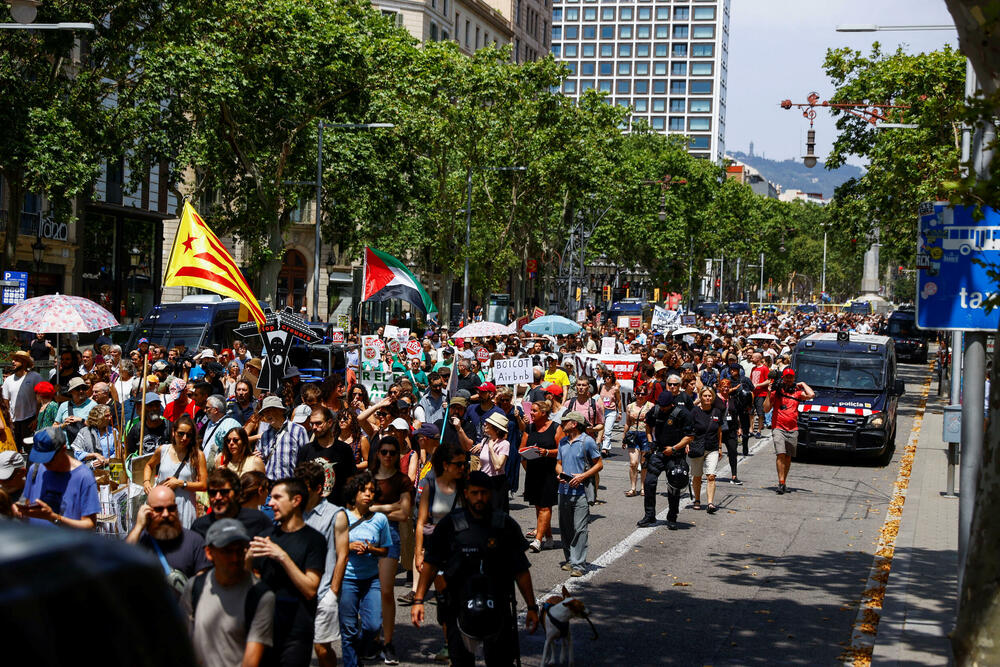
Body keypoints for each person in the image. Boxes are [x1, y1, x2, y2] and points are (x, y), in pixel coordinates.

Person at [410, 471, 539, 667]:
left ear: (491, 494)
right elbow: (431, 563)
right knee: (461, 661)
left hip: (497, 606)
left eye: (484, 493)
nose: (480, 498)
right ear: (465, 494)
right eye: (475, 493)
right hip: (458, 605)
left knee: (501, 662)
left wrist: (531, 607)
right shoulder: (450, 525)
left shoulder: (504, 525)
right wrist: (419, 599)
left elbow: (521, 570)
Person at [249, 477, 326, 667]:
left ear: (296, 500)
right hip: (263, 630)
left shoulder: (313, 540)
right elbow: (247, 581)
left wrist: (282, 557)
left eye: (277, 497)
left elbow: (310, 589)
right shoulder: (265, 537)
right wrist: (247, 558)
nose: (270, 503)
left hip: (296, 633)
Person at [182, 518, 276, 667]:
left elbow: (251, 660)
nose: (234, 558)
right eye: (227, 551)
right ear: (209, 553)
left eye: (240, 550)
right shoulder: (194, 587)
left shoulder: (261, 597)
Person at [295, 461, 349, 667]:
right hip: (295, 592)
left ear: (318, 488)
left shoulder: (337, 515)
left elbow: (342, 555)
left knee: (321, 648)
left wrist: (333, 592)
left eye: (304, 487)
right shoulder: (292, 512)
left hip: (324, 591)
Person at [340, 472, 392, 667]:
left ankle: (358, 651)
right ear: (354, 493)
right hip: (347, 578)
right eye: (363, 490)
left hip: (371, 579)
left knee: (373, 625)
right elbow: (332, 547)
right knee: (348, 629)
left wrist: (371, 548)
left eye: (371, 490)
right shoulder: (341, 516)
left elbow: (385, 550)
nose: (368, 494)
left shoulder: (380, 519)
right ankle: (351, 663)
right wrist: (349, 546)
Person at [369, 436, 413, 665]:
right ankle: (372, 638)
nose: (387, 456)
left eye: (392, 453)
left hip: (390, 536)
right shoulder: (367, 478)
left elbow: (404, 513)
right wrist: (389, 506)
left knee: (386, 591)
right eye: (384, 452)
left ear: (398, 455)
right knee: (368, 590)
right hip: (364, 536)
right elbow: (357, 507)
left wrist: (373, 509)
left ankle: (387, 642)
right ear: (377, 453)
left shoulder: (403, 481)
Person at [14, 426, 99, 530]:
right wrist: (17, 508)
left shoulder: (83, 476)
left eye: (49, 459)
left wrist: (53, 518)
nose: (44, 463)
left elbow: (90, 524)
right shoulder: (35, 468)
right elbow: (25, 501)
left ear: (63, 450)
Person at [126, 485, 211, 579]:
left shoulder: (194, 542)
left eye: (171, 508)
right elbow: (120, 565)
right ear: (147, 511)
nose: (166, 514)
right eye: (159, 509)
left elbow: (202, 584)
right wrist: (138, 527)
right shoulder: (139, 538)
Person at [639, 387, 693, 530]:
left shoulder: (682, 414)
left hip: (675, 454)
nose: (662, 409)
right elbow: (648, 425)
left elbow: (690, 436)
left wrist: (674, 448)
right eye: (661, 406)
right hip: (659, 452)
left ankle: (672, 517)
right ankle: (649, 515)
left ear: (672, 404)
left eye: (665, 406)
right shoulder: (655, 410)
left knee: (674, 486)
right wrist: (650, 440)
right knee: (649, 482)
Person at [556, 412, 603, 577]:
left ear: (574, 424)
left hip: (581, 492)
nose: (562, 424)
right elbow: (558, 464)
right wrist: (560, 474)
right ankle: (569, 560)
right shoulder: (562, 441)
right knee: (566, 528)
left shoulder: (587, 441)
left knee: (580, 529)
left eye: (565, 422)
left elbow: (599, 464)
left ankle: (579, 565)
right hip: (563, 492)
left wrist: (582, 476)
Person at [143, 414, 208, 529]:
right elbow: (149, 465)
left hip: (184, 507)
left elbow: (203, 484)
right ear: (173, 432)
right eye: (181, 433)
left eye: (188, 435)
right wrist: (146, 482)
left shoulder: (197, 455)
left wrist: (180, 483)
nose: (184, 438)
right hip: (161, 506)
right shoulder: (163, 450)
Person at [763, 367, 815, 495]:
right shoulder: (777, 392)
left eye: (791, 377)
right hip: (778, 427)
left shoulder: (797, 393)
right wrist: (769, 393)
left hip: (792, 429)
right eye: (786, 377)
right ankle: (781, 483)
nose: (788, 380)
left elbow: (811, 395)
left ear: (793, 379)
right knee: (780, 453)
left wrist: (802, 384)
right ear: (783, 378)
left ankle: (783, 481)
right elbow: (766, 409)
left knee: (788, 456)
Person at [520, 400, 559, 553]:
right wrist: (526, 460)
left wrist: (546, 452)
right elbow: (521, 449)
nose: (531, 413)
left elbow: (561, 450)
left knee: (545, 506)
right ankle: (549, 538)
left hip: (549, 472)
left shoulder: (556, 427)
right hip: (533, 472)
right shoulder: (529, 428)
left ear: (544, 413)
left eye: (534, 411)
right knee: (538, 506)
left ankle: (538, 540)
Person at [298, 405, 357, 506]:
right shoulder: (305, 450)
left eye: (318, 423)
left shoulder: (344, 450)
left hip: (337, 509)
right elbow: (300, 483)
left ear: (329, 423)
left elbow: (350, 481)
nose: (314, 428)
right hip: (310, 510)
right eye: (312, 424)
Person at [191, 467, 272, 538]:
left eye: (224, 492)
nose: (218, 497)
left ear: (237, 493)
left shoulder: (258, 521)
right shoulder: (200, 526)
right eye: (213, 493)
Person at [256, 395, 309, 481]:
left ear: (281, 410)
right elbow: (260, 461)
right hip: (269, 487)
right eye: (265, 412)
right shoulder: (265, 436)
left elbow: (306, 461)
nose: (267, 414)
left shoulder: (298, 431)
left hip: (290, 487)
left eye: (270, 410)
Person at [689, 387, 723, 513]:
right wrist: (688, 443)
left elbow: (719, 431)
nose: (708, 398)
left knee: (711, 476)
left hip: (712, 447)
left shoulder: (717, 412)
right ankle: (697, 499)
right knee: (697, 476)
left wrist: (720, 447)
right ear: (701, 397)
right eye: (705, 396)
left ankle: (710, 503)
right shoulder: (694, 412)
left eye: (710, 396)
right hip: (697, 446)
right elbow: (688, 429)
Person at [2, 350, 42, 448]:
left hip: (30, 420)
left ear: (24, 362)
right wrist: (9, 420)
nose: (13, 362)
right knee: (14, 449)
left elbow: (40, 400)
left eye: (16, 360)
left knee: (30, 450)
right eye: (13, 360)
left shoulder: (35, 377)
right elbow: (6, 402)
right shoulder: (8, 380)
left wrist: (36, 419)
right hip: (14, 422)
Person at [472, 412, 510, 513]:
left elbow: (498, 466)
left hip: (497, 483)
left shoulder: (504, 444)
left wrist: (491, 449)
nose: (485, 424)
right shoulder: (485, 440)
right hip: (484, 481)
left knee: (497, 514)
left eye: (487, 423)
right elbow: (481, 462)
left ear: (495, 428)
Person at [623, 385, 654, 496]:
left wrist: (653, 439)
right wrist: (624, 437)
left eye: (643, 394)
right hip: (632, 435)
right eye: (638, 393)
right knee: (633, 463)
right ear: (635, 394)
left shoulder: (651, 406)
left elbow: (654, 424)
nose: (640, 396)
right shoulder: (630, 406)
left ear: (646, 395)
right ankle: (632, 488)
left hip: (645, 435)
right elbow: (627, 423)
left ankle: (643, 487)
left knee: (644, 463)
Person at [69, 403, 118, 468]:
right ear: (99, 418)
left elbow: (119, 452)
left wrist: (106, 461)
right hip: (90, 470)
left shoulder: (113, 432)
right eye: (107, 416)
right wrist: (95, 455)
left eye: (110, 415)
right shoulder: (85, 432)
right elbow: (77, 453)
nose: (110, 418)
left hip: (110, 469)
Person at [200, 394, 242, 467]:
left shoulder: (229, 425)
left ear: (215, 410)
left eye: (207, 408)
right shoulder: (209, 422)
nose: (204, 410)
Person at [716, 379, 744, 486]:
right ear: (719, 387)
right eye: (723, 386)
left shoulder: (733, 399)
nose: (725, 388)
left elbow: (736, 414)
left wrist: (739, 427)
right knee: (713, 452)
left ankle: (734, 476)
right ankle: (708, 473)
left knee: (733, 451)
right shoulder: (715, 398)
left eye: (727, 386)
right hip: (717, 429)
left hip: (731, 429)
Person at [54, 377, 96, 442]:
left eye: (83, 388)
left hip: (86, 447)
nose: (81, 391)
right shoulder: (63, 406)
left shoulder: (93, 405)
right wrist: (64, 424)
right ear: (71, 391)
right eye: (77, 389)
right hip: (67, 447)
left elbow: (98, 426)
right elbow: (54, 427)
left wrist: (81, 420)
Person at [598, 370, 621, 456]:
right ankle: (605, 447)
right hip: (601, 410)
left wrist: (620, 412)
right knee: (600, 430)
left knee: (608, 430)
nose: (608, 378)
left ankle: (604, 448)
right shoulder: (601, 386)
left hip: (611, 411)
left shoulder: (615, 389)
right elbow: (597, 397)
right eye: (606, 376)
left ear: (612, 378)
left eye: (610, 377)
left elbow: (619, 401)